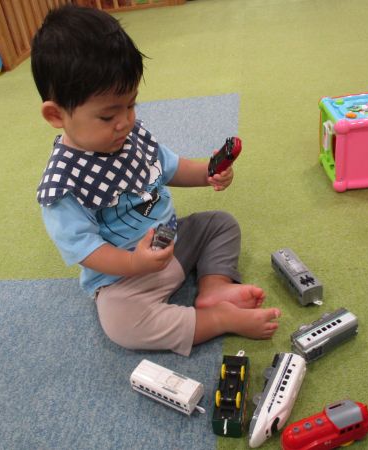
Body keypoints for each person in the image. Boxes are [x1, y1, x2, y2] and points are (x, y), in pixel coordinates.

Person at [31, 5, 280, 356]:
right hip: (124, 278)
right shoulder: (63, 185)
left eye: (130, 105)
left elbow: (169, 167)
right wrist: (134, 264)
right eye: (108, 116)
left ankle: (213, 288)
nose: (124, 122)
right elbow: (86, 250)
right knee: (122, 325)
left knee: (220, 224)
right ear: (56, 114)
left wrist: (208, 173)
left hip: (172, 240)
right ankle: (218, 319)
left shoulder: (129, 135)